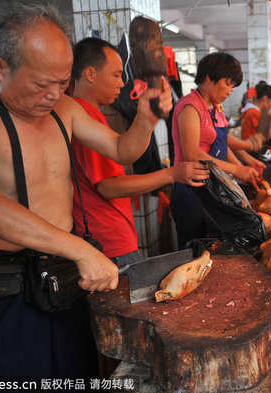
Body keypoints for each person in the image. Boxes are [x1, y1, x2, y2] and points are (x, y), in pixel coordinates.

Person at [0, 3, 172, 381]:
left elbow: (121, 149)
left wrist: (145, 119)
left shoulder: (66, 108)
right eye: (41, 83)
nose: (53, 94)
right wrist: (80, 249)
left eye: (62, 82)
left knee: (75, 372)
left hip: (63, 277)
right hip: (3, 286)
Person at [70, 37, 208, 267]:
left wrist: (148, 119)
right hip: (107, 240)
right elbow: (108, 186)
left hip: (111, 235)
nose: (122, 83)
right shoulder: (82, 116)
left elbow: (124, 150)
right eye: (115, 75)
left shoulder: (92, 115)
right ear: (90, 74)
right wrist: (172, 174)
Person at [172, 52, 260, 248]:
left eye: (233, 86)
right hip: (192, 188)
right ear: (210, 78)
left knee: (216, 246)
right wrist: (237, 170)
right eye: (228, 83)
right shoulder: (190, 107)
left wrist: (241, 169)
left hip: (213, 186)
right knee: (195, 244)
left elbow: (220, 144)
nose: (230, 91)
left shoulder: (214, 108)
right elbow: (192, 153)